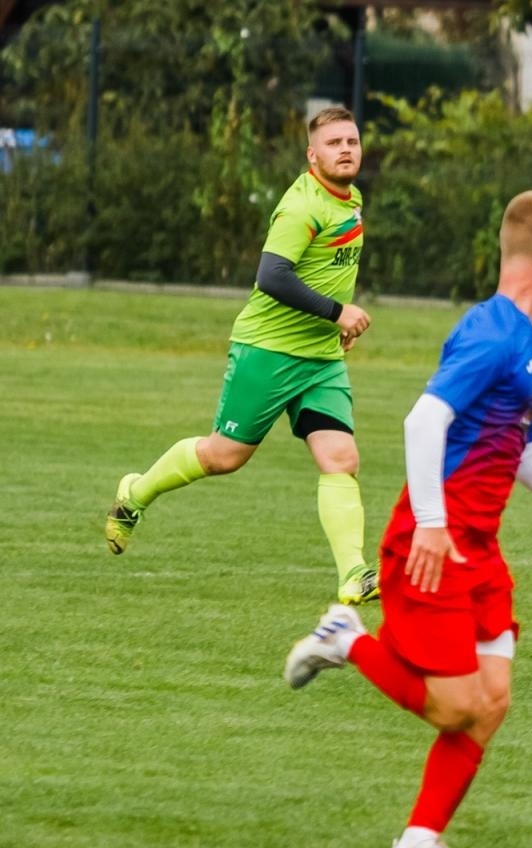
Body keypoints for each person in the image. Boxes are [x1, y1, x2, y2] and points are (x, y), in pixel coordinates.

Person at [282, 191, 532, 848]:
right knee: (454, 707)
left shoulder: (524, 338)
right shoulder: (495, 332)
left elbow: (522, 450)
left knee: (491, 702)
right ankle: (345, 641)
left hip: (478, 550)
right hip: (433, 545)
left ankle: (420, 836)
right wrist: (430, 523)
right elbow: (424, 420)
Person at [104, 105, 382, 605]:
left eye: (352, 141)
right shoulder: (301, 207)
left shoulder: (352, 199)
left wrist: (334, 324)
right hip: (267, 353)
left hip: (319, 361)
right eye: (335, 143)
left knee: (341, 458)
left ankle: (354, 573)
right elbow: (272, 277)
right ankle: (136, 493)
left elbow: (326, 273)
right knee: (223, 456)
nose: (346, 149)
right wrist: (338, 311)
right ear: (311, 155)